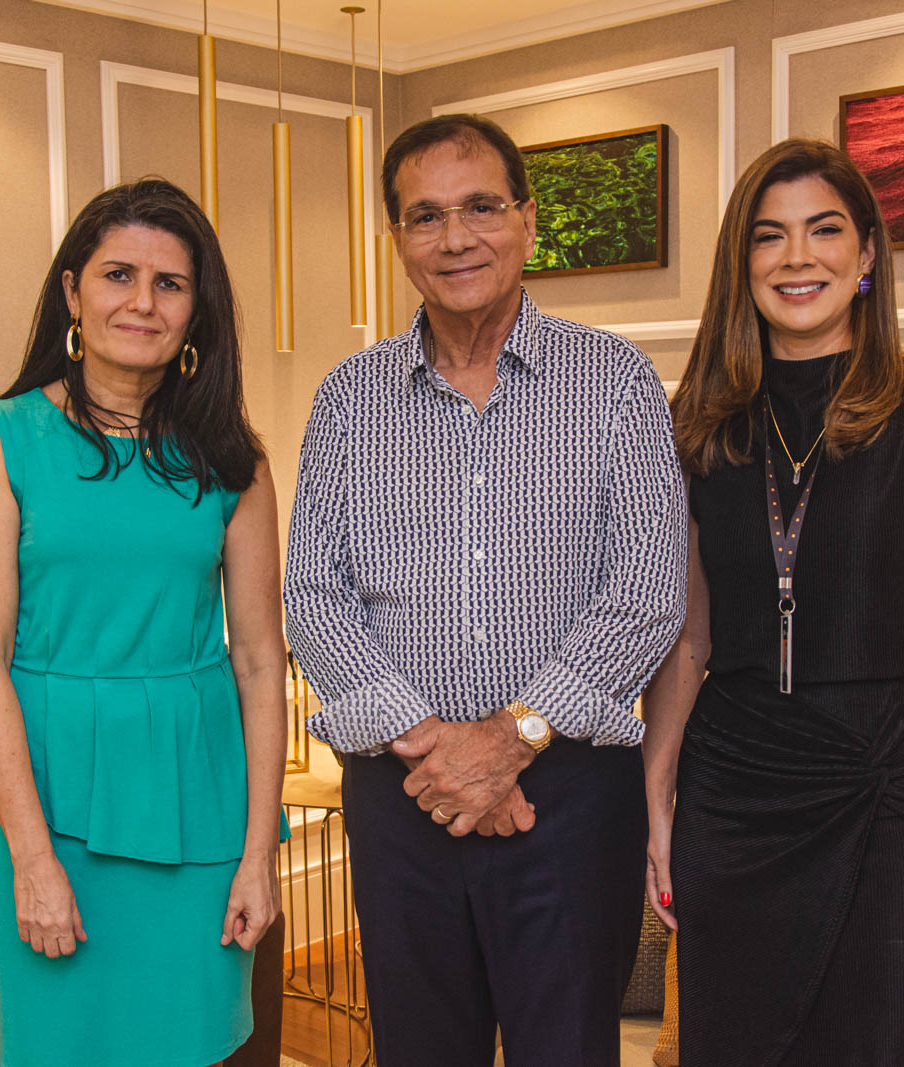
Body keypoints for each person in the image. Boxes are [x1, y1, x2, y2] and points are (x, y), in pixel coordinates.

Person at [283, 114, 687, 1067]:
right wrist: (435, 747)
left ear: (528, 221)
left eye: (481, 208)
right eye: (425, 217)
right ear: (397, 239)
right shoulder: (349, 397)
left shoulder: (615, 381)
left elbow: (646, 588)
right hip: (403, 794)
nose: (455, 238)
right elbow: (313, 590)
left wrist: (511, 739)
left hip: (567, 797)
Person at [642, 138, 904, 1065]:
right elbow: (687, 637)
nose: (796, 257)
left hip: (901, 789)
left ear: (866, 256)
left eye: (824, 230)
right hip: (735, 788)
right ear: (742, 264)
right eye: (768, 236)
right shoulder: (697, 422)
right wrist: (654, 799)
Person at [0, 177, 287, 1067]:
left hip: (198, 796)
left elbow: (259, 661)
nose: (142, 302)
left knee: (196, 1043)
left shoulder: (233, 460)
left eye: (170, 283)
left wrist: (259, 852)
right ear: (73, 290)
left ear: (196, 310)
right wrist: (31, 858)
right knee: (60, 1046)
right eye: (117, 274)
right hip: (46, 799)